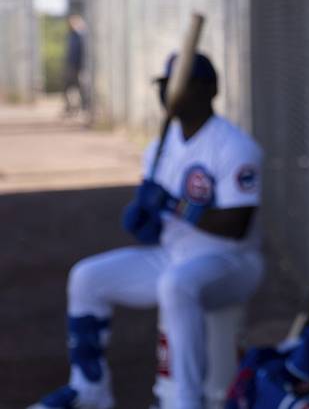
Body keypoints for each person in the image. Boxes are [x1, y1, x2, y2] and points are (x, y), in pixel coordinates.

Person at [30, 53, 264, 409]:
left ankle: (185, 402)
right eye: (166, 84)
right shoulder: (160, 147)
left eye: (180, 83)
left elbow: (237, 225)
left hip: (232, 262)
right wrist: (147, 222)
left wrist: (175, 205)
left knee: (177, 285)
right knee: (87, 278)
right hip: (173, 256)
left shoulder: (235, 146)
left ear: (208, 89)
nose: (170, 92)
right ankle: (89, 388)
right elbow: (160, 225)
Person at [62, 15, 87, 117]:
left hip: (79, 67)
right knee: (69, 87)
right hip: (72, 66)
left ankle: (81, 108)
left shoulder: (81, 36)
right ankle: (71, 108)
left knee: (80, 87)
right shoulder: (72, 36)